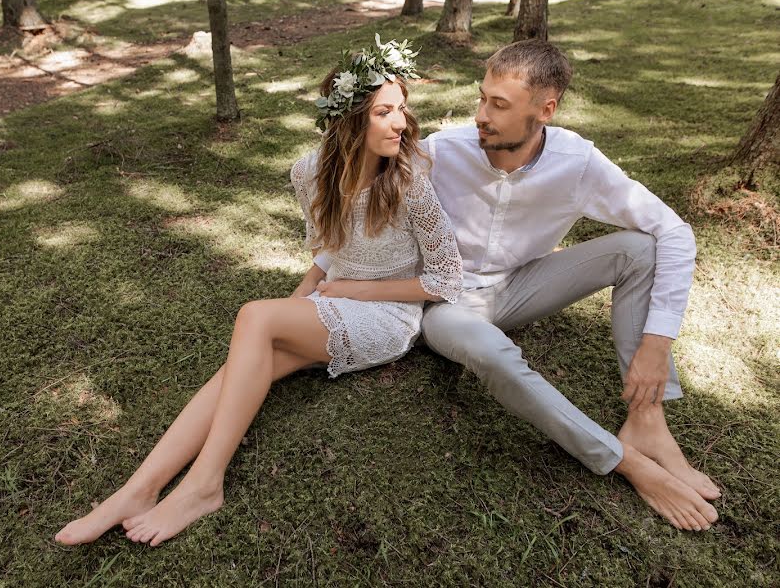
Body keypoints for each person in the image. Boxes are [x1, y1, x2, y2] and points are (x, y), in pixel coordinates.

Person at [54, 35, 463, 547]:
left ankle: (204, 485)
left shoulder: (409, 183)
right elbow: (329, 253)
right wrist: (298, 305)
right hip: (331, 303)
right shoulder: (308, 173)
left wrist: (355, 292)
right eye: (383, 112)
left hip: (388, 318)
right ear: (347, 119)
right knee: (243, 363)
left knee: (255, 318)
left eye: (401, 109)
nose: (400, 124)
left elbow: (447, 279)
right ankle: (137, 490)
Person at [316, 39, 721, 532]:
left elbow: (674, 231)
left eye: (499, 105)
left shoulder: (579, 162)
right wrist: (323, 279)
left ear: (545, 110)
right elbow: (362, 209)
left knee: (640, 249)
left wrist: (657, 343)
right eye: (483, 97)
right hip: (445, 303)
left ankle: (648, 421)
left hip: (520, 286)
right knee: (494, 354)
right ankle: (622, 460)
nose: (481, 114)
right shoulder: (441, 152)